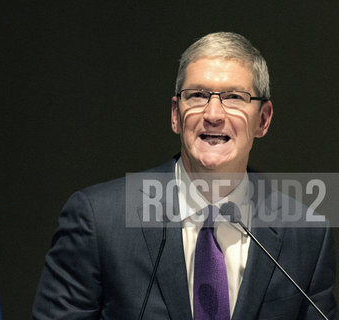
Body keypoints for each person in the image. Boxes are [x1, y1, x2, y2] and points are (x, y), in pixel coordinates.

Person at [31, 32, 336, 319]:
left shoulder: (307, 233)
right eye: (198, 95)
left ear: (263, 119)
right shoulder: (99, 220)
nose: (214, 114)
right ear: (176, 115)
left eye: (233, 97)